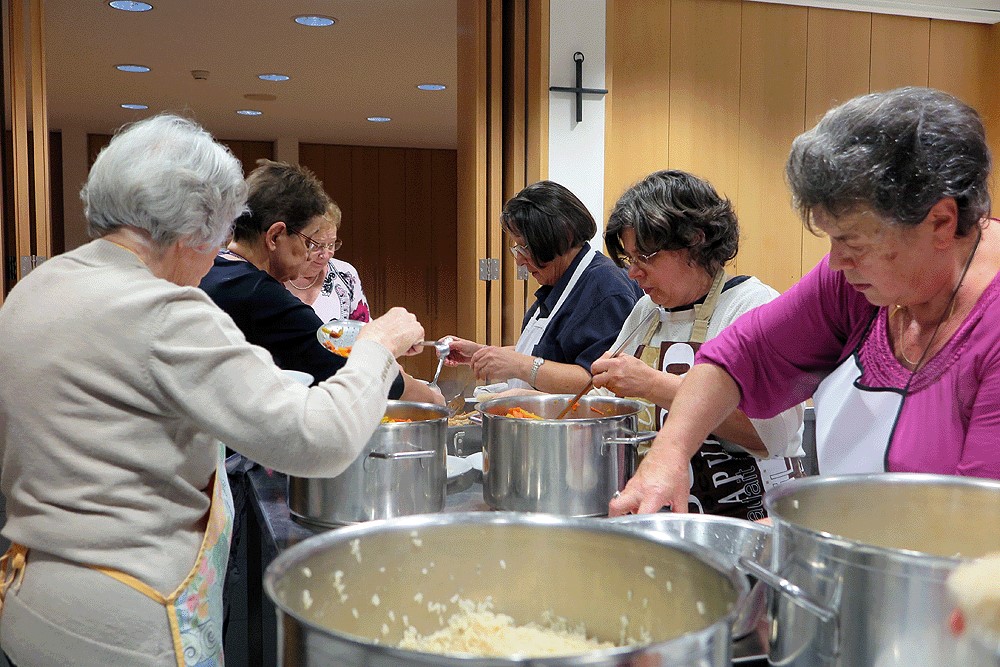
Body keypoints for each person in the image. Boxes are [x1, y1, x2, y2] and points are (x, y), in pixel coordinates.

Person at [0, 114, 427, 665]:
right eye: (221, 234)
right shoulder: (165, 311)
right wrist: (378, 346)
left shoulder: (37, 286)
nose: (218, 254)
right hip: (128, 616)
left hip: (31, 593)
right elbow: (319, 439)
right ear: (194, 227)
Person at [611, 87, 1000, 517]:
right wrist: (669, 453)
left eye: (853, 242)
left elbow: (981, 529)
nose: (835, 262)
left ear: (941, 223)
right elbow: (741, 356)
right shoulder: (855, 282)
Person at [588, 170, 804, 520]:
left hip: (747, 514)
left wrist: (653, 384)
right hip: (665, 511)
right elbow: (608, 400)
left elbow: (770, 436)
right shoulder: (647, 311)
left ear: (695, 240)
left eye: (646, 256)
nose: (633, 273)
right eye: (630, 259)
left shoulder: (752, 306)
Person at [200, 159, 441, 405]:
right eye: (308, 242)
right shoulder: (260, 295)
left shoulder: (212, 269)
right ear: (275, 236)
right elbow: (354, 374)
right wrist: (432, 398)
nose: (310, 255)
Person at [446, 180, 643, 393]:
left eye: (525, 247)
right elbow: (550, 353)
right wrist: (482, 354)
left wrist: (518, 365)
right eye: (516, 249)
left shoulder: (605, 287)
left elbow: (598, 381)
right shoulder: (558, 282)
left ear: (562, 237)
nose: (519, 261)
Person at [283, 201, 371, 323]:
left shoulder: (346, 274)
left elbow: (363, 327)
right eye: (317, 245)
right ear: (293, 240)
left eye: (331, 245)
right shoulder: (268, 278)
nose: (325, 255)